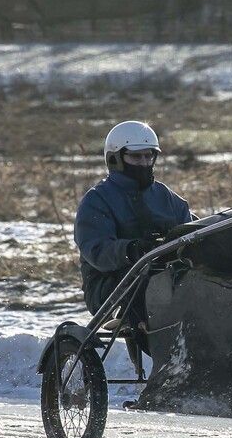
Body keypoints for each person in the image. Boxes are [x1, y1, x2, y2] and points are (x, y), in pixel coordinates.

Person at [74, 121, 192, 337]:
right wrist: (132, 250)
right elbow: (97, 250)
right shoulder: (97, 200)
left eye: (149, 157)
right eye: (136, 157)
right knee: (147, 282)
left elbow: (191, 229)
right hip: (113, 287)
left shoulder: (165, 196)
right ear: (115, 159)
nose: (144, 163)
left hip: (164, 277)